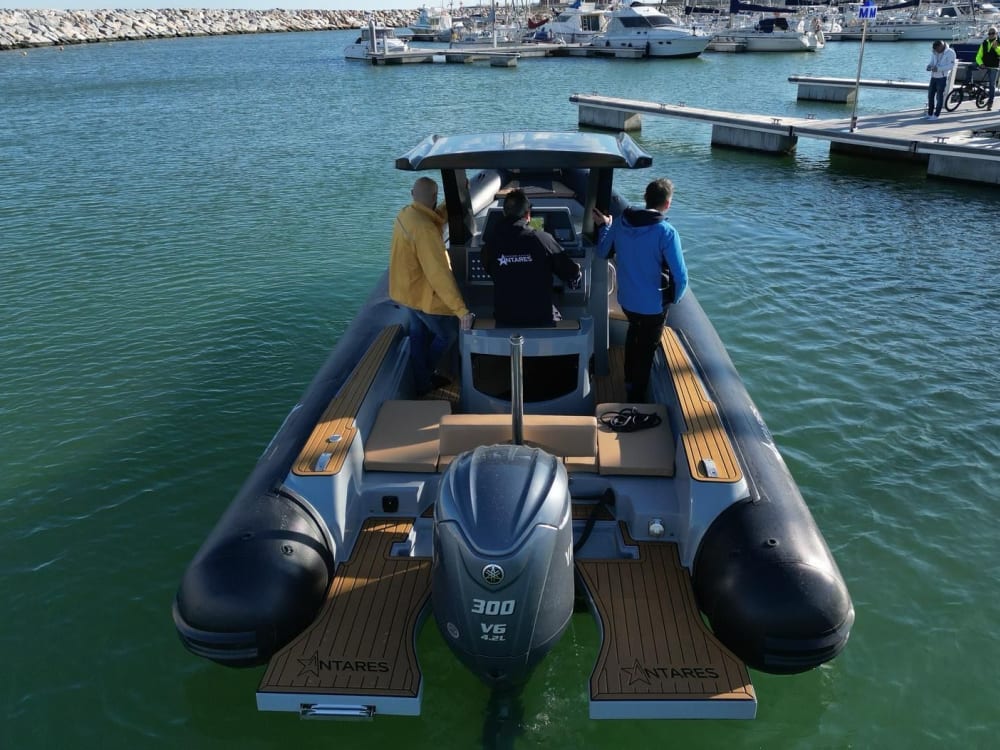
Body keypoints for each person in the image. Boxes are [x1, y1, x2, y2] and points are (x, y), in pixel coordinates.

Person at [592, 178, 688, 404]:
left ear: (646, 198)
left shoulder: (622, 222)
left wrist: (605, 225)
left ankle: (627, 379)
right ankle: (636, 397)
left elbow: (602, 251)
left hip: (627, 301)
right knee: (645, 350)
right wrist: (673, 299)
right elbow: (681, 276)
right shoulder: (666, 231)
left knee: (634, 333)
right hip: (653, 306)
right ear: (667, 204)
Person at [388, 176, 475, 395]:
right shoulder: (425, 231)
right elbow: (439, 273)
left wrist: (453, 200)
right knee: (449, 336)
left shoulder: (406, 214)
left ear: (412, 194)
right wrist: (461, 310)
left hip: (408, 295)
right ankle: (428, 376)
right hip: (425, 297)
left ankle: (421, 382)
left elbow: (434, 217)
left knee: (418, 336)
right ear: (434, 197)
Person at [481, 188, 582, 327]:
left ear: (504, 213)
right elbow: (570, 272)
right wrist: (577, 270)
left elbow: (490, 269)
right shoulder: (543, 239)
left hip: (505, 319)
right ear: (528, 215)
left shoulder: (489, 244)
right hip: (541, 319)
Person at [926, 40, 956, 119]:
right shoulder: (934, 51)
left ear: (941, 46)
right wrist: (929, 66)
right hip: (933, 77)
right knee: (930, 96)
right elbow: (932, 62)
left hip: (942, 78)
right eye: (934, 49)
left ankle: (936, 115)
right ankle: (930, 113)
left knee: (939, 96)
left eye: (937, 49)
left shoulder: (951, 52)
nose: (936, 51)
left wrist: (939, 69)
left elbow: (951, 66)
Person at [974, 27, 1000, 111]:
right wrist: (981, 63)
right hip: (984, 66)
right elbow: (978, 55)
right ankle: (982, 96)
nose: (991, 35)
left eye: (993, 33)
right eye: (989, 33)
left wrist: (996, 48)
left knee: (992, 85)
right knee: (979, 83)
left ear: (996, 34)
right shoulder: (984, 43)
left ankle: (990, 103)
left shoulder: (998, 42)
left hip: (994, 67)